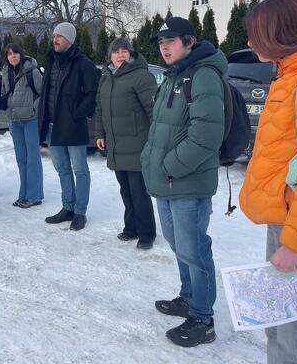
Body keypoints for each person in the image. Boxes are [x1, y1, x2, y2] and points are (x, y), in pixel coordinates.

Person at [141, 17, 226, 347]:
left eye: (171, 40)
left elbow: (206, 136)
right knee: (179, 247)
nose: (164, 46)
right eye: (161, 42)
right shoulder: (172, 75)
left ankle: (203, 319)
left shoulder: (203, 75)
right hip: (168, 180)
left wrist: (168, 167)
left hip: (187, 182)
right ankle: (188, 297)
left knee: (195, 250)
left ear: (189, 42)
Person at [239, 0, 297, 364]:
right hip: (285, 219)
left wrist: (295, 243)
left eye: (256, 34)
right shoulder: (289, 74)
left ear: (279, 33)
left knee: (296, 331)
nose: (250, 42)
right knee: (279, 320)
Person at [94, 38, 157, 249]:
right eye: (116, 51)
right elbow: (100, 110)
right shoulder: (106, 78)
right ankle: (131, 228)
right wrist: (99, 134)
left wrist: (156, 142)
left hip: (138, 145)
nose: (120, 55)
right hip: (116, 145)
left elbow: (153, 112)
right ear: (110, 56)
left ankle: (147, 233)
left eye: (124, 51)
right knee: (125, 190)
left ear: (131, 54)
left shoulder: (141, 77)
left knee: (139, 192)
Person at [37, 22, 99, 231]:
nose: (55, 39)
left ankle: (80, 212)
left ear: (70, 40)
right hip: (53, 125)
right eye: (54, 35)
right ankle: (68, 207)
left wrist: (77, 113)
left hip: (73, 126)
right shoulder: (51, 61)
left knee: (80, 170)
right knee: (62, 168)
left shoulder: (83, 63)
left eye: (60, 36)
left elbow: (93, 93)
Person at [0, 43, 44, 208]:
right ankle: (24, 193)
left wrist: (34, 109)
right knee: (21, 159)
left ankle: (35, 195)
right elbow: (7, 93)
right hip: (15, 120)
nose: (13, 56)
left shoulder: (32, 71)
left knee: (33, 159)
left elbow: (43, 94)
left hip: (30, 120)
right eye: (9, 54)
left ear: (21, 54)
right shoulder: (6, 72)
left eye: (15, 53)